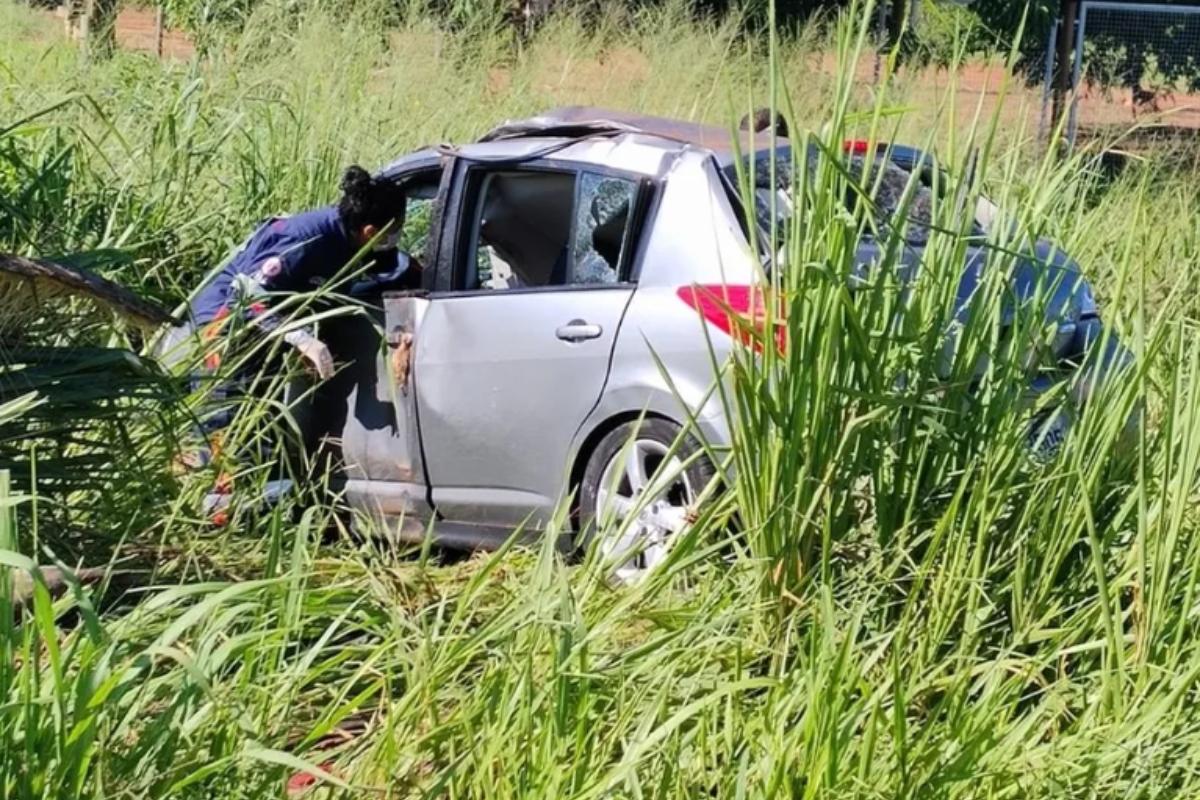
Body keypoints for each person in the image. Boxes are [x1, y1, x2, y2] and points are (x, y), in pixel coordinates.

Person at [175, 165, 419, 522]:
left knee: (266, 429)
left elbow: (390, 268)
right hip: (224, 333)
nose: (394, 236)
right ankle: (214, 525)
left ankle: (264, 518)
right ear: (371, 229)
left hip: (265, 338)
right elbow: (247, 295)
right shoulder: (307, 239)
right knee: (227, 432)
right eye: (394, 229)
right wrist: (302, 340)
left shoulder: (350, 240)